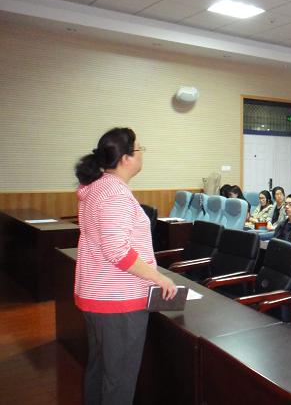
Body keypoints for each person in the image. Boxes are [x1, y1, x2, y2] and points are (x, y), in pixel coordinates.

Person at [74, 127, 177, 405]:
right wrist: (160, 278)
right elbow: (117, 250)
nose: (143, 153)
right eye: (140, 148)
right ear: (125, 158)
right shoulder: (114, 193)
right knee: (119, 380)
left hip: (97, 295)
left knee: (99, 371)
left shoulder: (96, 187)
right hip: (118, 300)